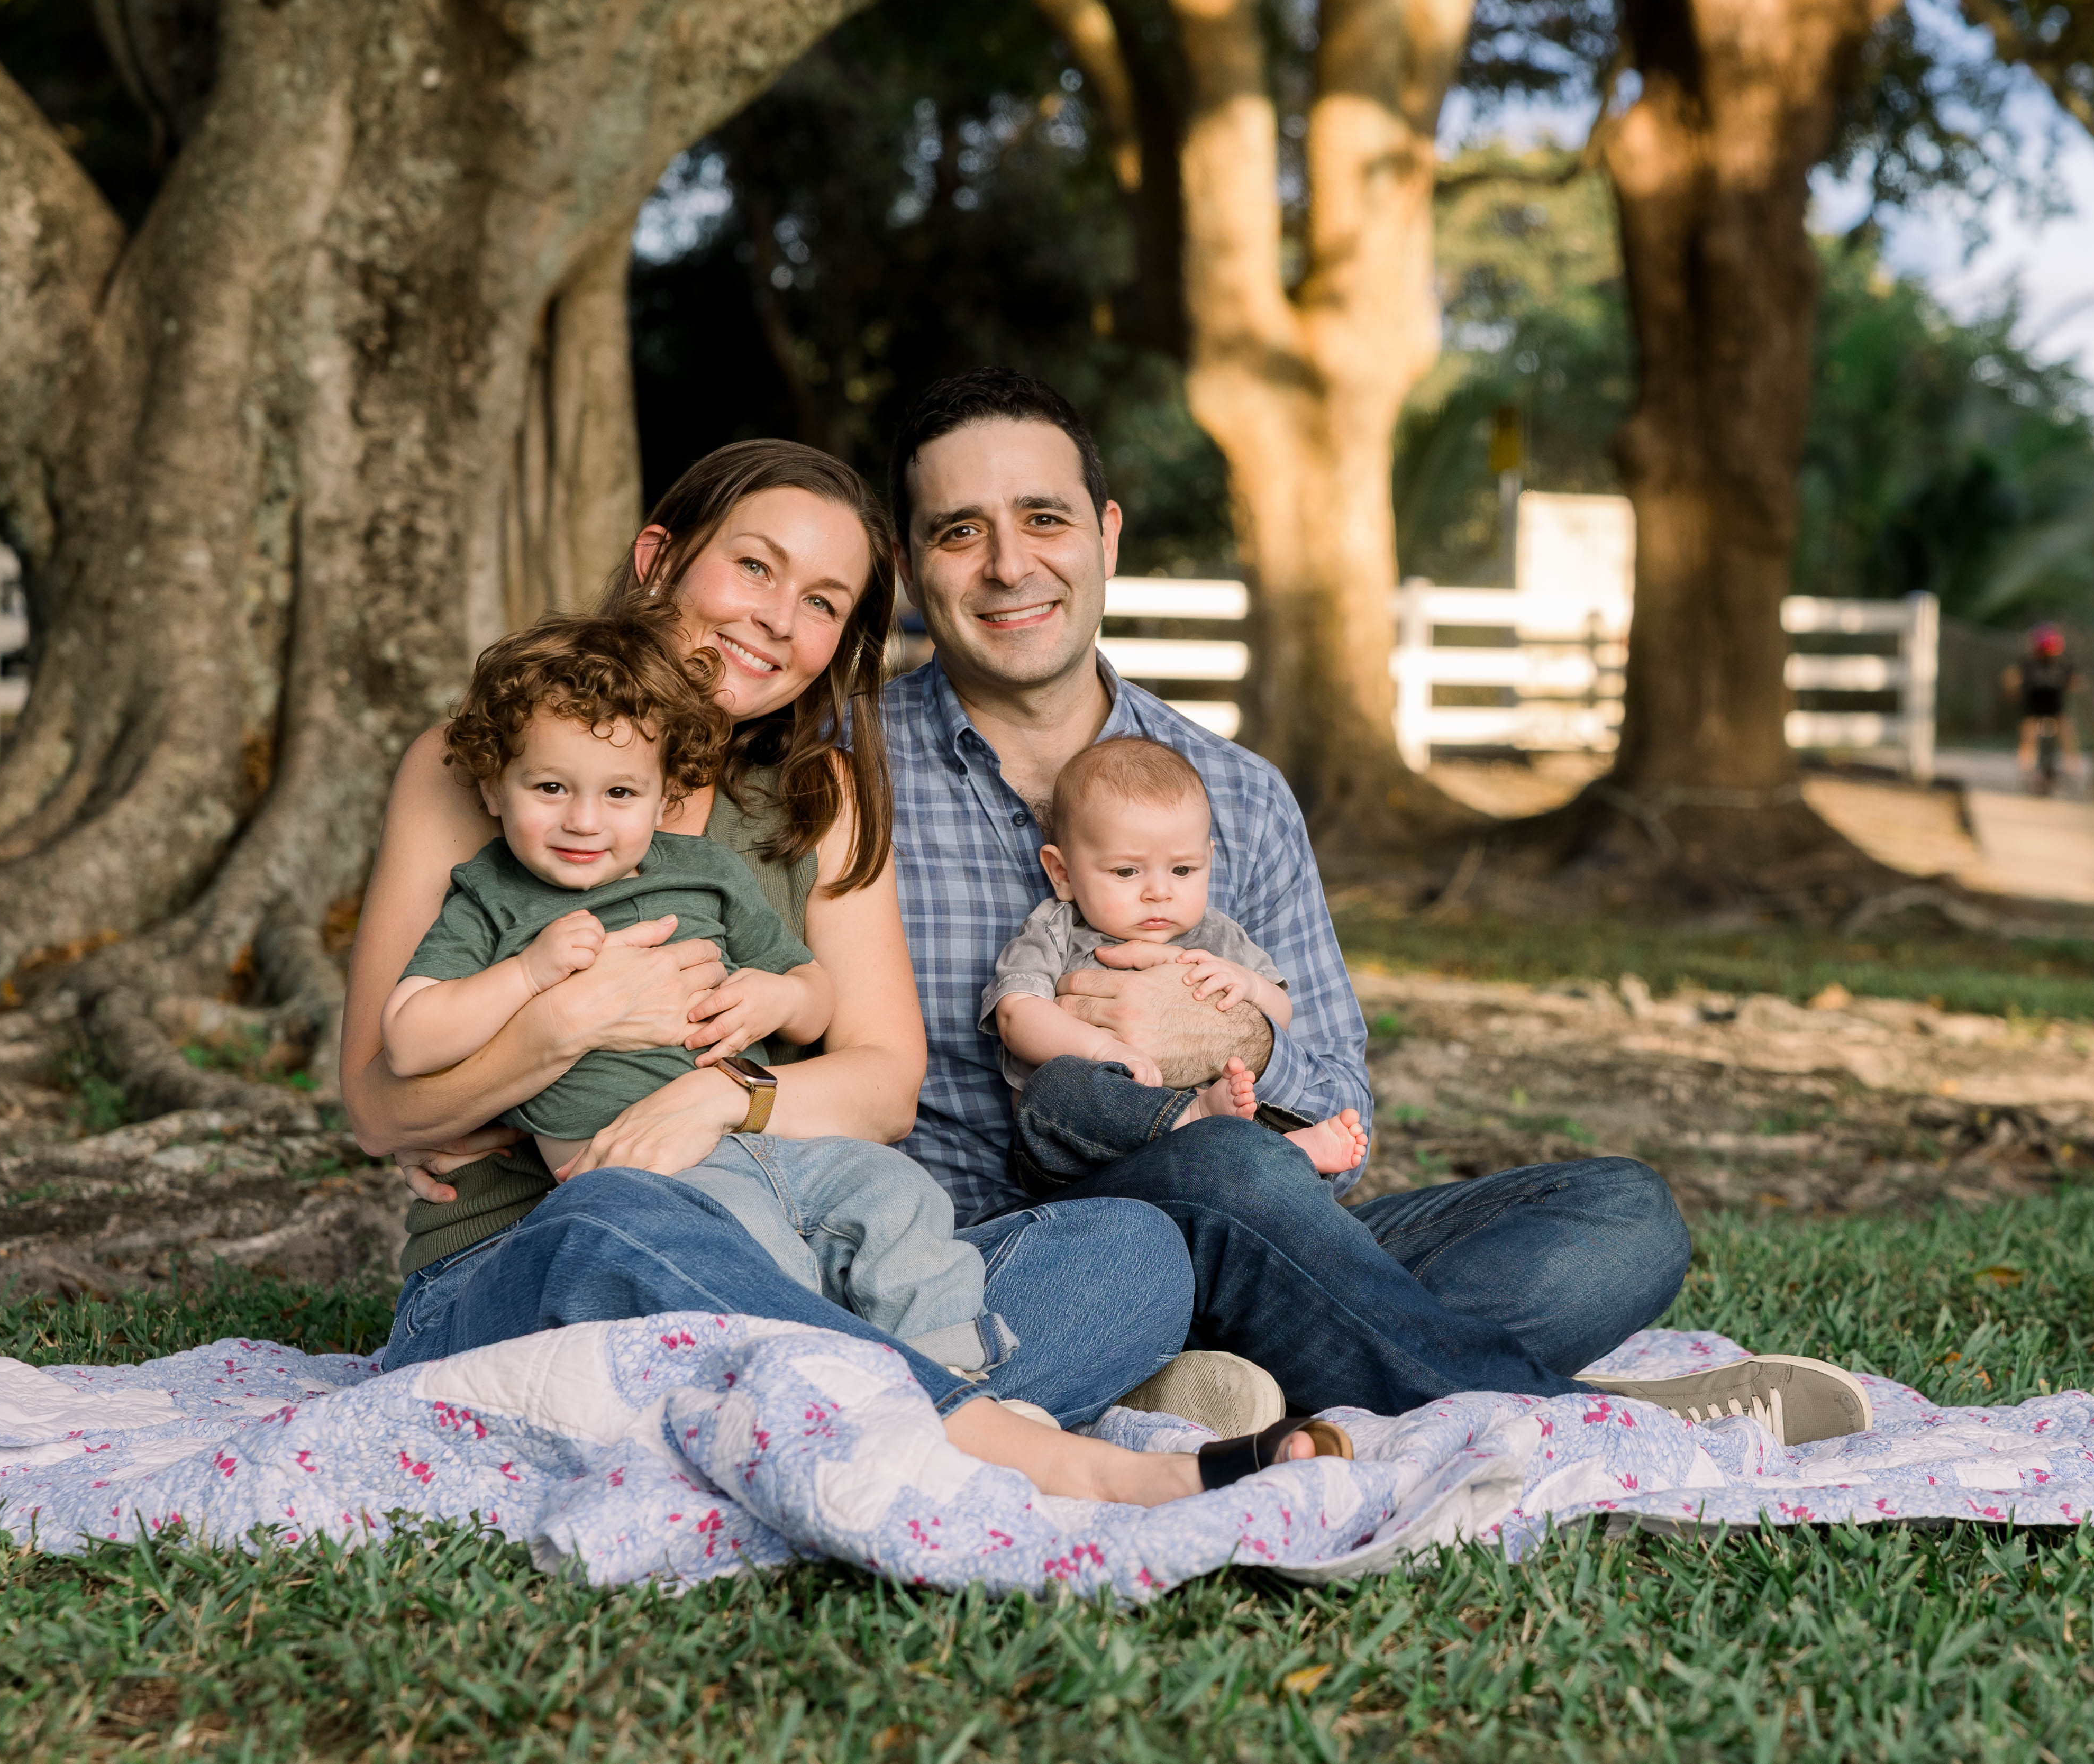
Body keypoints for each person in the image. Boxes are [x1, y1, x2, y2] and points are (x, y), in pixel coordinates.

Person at [878, 366, 1874, 1446]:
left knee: (1621, 1221)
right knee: (1219, 1171)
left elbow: (1343, 1113)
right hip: (1016, 1273)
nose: (1009, 564)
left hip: (1257, 1224)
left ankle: (1229, 1382)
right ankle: (1561, 1423)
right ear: (908, 562)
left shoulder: (1238, 794)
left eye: (1042, 518)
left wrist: (1229, 1030)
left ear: (1106, 536)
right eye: (958, 533)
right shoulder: (836, 780)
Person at [341, 440, 1332, 1503]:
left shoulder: (815, 798)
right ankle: (1046, 1453)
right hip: (522, 1261)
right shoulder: (482, 767)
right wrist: (564, 1024)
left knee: (1129, 1251)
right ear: (657, 561)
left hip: (780, 1243)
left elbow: (881, 1082)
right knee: (623, 1218)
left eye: (821, 602)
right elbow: (379, 1103)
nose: (776, 618)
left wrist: (718, 1096)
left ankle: (782, 1418)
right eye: (754, 568)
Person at [384, 601, 1010, 1375]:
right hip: (653, 1182)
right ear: (492, 789)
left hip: (768, 1143)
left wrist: (778, 999)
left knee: (901, 1194)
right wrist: (530, 977)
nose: (584, 820)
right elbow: (409, 1038)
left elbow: (815, 992)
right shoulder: (492, 899)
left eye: (619, 794)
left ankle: (956, 1373)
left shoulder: (705, 873)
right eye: (550, 786)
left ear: (662, 794)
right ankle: (838, 1389)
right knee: (746, 1249)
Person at [982, 734, 1368, 1198]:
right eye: (1127, 872)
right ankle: (1215, 1134)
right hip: (1078, 1161)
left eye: (1182, 871)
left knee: (1240, 1090)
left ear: (1208, 859)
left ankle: (1278, 1153)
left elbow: (1279, 1020)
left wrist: (1247, 985)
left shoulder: (1217, 936)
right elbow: (1016, 1014)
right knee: (1056, 1086)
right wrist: (1104, 1052)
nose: (1159, 892)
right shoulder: (1056, 928)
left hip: (1192, 1156)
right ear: (1062, 874)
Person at [2005, 624, 2082, 795]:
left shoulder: (2064, 664)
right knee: (2028, 737)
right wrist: (2013, 689)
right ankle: (2025, 770)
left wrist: (2073, 685)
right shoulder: (2029, 663)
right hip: (2033, 708)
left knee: (2067, 733)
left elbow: (2074, 681)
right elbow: (2012, 677)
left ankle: (2073, 769)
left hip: (2055, 708)